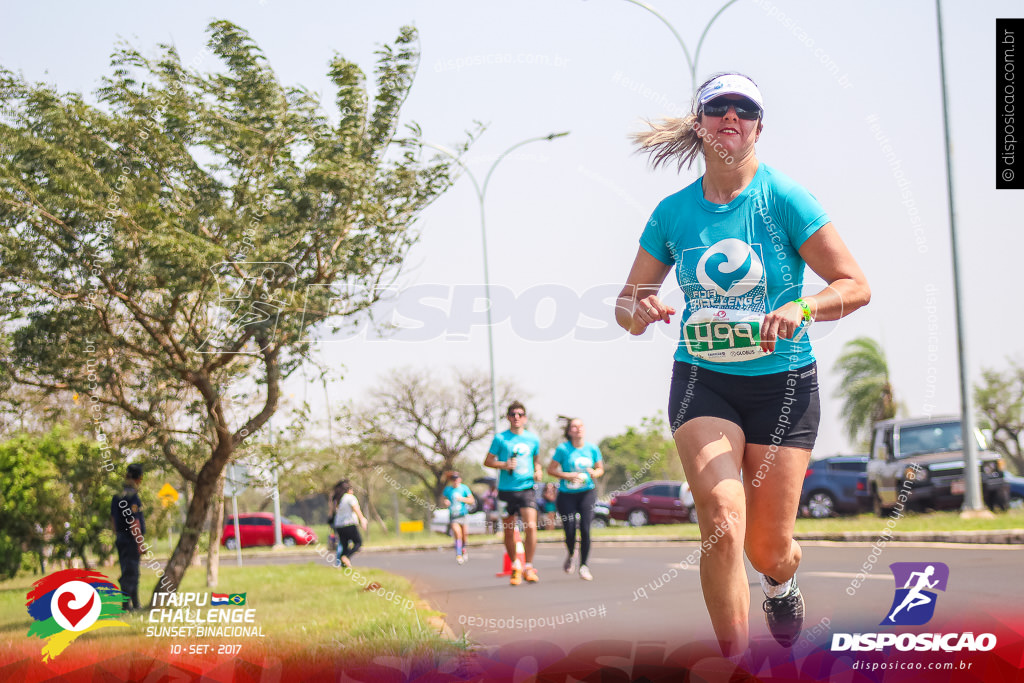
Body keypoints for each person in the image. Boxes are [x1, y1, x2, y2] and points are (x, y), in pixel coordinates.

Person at [616, 72, 870, 655]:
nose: (730, 116)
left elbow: (855, 285)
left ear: (759, 126)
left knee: (767, 549)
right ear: (699, 123)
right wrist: (643, 307)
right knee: (722, 518)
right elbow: (625, 309)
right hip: (704, 383)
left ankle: (780, 582)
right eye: (717, 108)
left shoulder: (784, 197)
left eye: (743, 109)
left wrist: (803, 306)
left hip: (784, 386)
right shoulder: (673, 212)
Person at [483, 401, 543, 585]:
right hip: (506, 490)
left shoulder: (533, 439)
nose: (516, 417)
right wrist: (504, 465)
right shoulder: (501, 439)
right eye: (512, 414)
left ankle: (529, 566)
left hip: (527, 489)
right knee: (509, 531)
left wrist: (538, 470)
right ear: (508, 417)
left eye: (520, 414)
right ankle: (515, 565)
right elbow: (488, 461)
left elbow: (537, 460)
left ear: (524, 417)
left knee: (531, 527)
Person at [547, 418, 604, 581]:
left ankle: (584, 565)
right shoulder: (563, 449)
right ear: (569, 431)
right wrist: (567, 476)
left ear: (584, 429)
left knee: (586, 529)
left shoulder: (592, 448)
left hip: (587, 492)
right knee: (570, 528)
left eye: (580, 426)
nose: (578, 429)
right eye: (574, 426)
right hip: (567, 494)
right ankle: (572, 553)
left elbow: (600, 469)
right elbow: (551, 470)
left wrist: (595, 473)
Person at [110, 463, 145, 611]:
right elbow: (134, 521)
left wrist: (118, 534)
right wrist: (139, 542)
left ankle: (132, 604)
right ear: (139, 479)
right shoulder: (133, 497)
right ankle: (129, 605)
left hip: (121, 537)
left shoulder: (117, 496)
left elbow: (113, 519)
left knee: (127, 570)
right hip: (131, 539)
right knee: (132, 572)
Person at [329, 479, 367, 568]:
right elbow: (356, 509)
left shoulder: (338, 499)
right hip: (349, 524)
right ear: (348, 489)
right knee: (358, 543)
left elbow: (332, 512)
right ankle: (346, 557)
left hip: (339, 525)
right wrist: (362, 519)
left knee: (344, 545)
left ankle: (343, 566)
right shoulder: (350, 497)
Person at [442, 471, 475, 564]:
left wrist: (462, 499)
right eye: (453, 479)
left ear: (459, 479)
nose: (455, 481)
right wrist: (445, 502)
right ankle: (459, 554)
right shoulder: (448, 489)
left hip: (463, 515)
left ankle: (463, 548)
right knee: (457, 533)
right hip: (454, 516)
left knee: (464, 535)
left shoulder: (464, 488)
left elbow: (472, 500)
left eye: (456, 479)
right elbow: (443, 499)